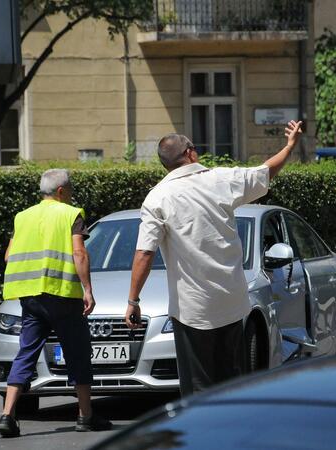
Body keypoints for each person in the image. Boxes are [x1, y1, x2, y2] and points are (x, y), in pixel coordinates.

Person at [126, 120, 303, 396]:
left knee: (198, 387)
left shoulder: (157, 198)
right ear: (191, 153)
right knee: (232, 383)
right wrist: (290, 146)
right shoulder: (220, 180)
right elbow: (265, 173)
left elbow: (144, 253)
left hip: (192, 309)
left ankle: (202, 435)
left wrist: (133, 300)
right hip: (232, 303)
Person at [0, 169, 111, 437]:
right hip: (62, 295)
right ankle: (85, 416)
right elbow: (79, 253)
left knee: (26, 352)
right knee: (78, 352)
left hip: (30, 297)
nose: (71, 195)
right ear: (61, 192)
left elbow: (9, 256)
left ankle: (7, 415)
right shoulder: (71, 214)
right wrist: (88, 290)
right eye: (70, 190)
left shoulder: (22, 217)